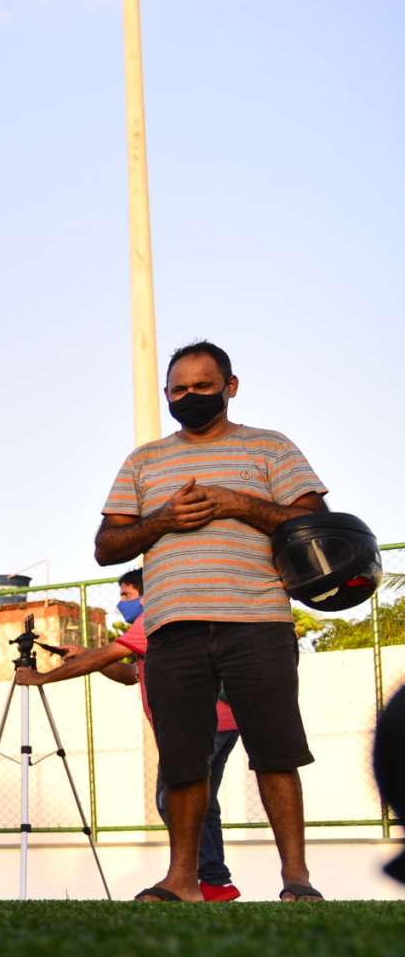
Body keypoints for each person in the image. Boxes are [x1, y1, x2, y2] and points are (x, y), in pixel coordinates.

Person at [93, 340, 327, 903]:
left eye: (203, 386)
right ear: (166, 394)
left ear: (231, 385)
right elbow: (106, 546)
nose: (190, 396)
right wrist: (163, 518)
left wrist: (240, 503)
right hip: (173, 626)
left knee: (276, 750)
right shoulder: (143, 461)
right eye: (179, 389)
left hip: (259, 618)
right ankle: (182, 879)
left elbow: (316, 521)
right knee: (182, 759)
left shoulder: (270, 448)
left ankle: (297, 879)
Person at [16, 603, 244, 901]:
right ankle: (215, 882)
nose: (122, 603)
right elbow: (129, 673)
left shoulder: (157, 613)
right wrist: (86, 655)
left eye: (126, 594)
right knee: (204, 801)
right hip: (224, 721)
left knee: (172, 798)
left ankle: (205, 877)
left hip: (199, 719)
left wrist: (43, 677)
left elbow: (112, 653)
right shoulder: (168, 623)